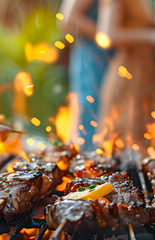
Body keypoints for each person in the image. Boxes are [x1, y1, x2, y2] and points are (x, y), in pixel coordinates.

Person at [95, 0, 155, 153]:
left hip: (144, 76)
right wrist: (150, 36)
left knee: (142, 146)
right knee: (121, 147)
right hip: (127, 76)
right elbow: (107, 35)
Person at [59, 0, 112, 151]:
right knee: (90, 132)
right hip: (94, 63)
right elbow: (68, 19)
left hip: (112, 64)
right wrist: (113, 38)